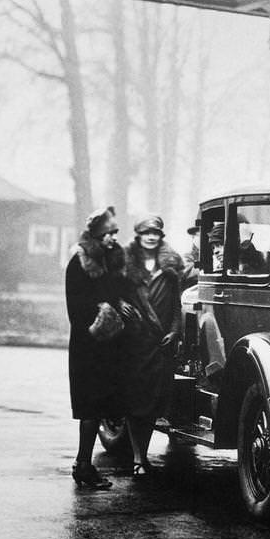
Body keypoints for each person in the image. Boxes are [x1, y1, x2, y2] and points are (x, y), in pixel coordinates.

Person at [65, 206, 127, 490]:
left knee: (97, 407)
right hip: (87, 345)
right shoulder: (80, 263)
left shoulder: (110, 262)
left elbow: (115, 294)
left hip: (105, 347)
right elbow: (77, 310)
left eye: (115, 232)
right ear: (97, 234)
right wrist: (104, 313)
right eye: (109, 233)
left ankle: (84, 464)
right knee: (90, 408)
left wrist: (119, 305)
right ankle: (83, 466)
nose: (113, 237)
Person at [120, 215, 186, 475]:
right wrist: (118, 303)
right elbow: (111, 291)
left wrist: (174, 331)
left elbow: (177, 304)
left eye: (155, 233)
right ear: (138, 235)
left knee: (151, 403)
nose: (151, 237)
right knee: (134, 400)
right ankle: (137, 458)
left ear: (161, 237)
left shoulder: (170, 266)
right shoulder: (125, 263)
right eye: (146, 232)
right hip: (134, 341)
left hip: (160, 344)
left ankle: (142, 456)